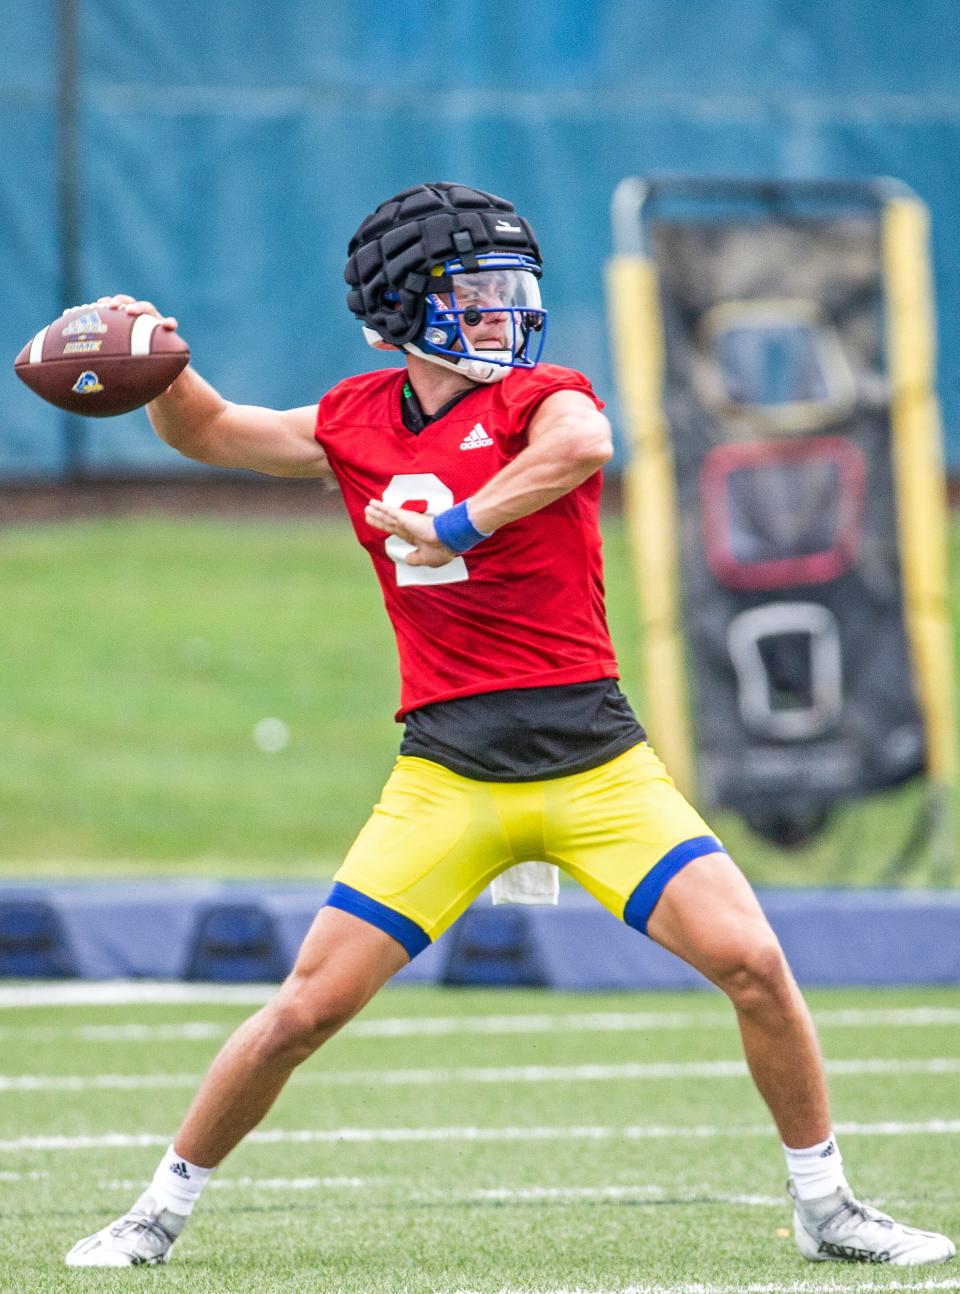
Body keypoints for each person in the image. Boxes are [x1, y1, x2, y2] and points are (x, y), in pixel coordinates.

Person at [65, 182, 953, 1270]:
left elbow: (584, 442)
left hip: (596, 765)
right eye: (475, 293)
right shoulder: (353, 419)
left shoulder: (543, 397)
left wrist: (457, 519)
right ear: (402, 308)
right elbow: (210, 431)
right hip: (449, 775)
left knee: (754, 962)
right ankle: (156, 1209)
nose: (506, 311)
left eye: (511, 288)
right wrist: (164, 365)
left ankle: (827, 1205)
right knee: (305, 1008)